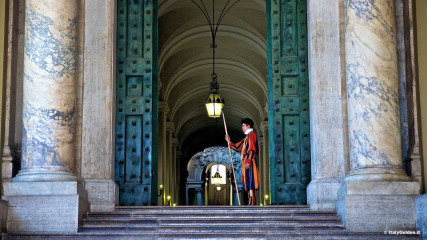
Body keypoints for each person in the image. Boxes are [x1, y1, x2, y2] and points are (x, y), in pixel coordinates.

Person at [225, 118, 260, 205]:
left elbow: (251, 149)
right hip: (246, 163)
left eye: (243, 126)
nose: (242, 127)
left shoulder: (252, 135)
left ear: (248, 126)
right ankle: (250, 201)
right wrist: (229, 141)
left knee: (251, 182)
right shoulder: (246, 138)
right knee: (247, 183)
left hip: (250, 162)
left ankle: (251, 202)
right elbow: (237, 147)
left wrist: (248, 161)